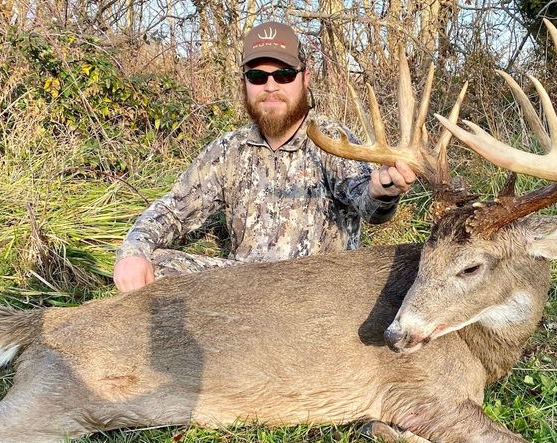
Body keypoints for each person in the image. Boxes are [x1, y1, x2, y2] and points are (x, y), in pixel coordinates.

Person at [113, 21, 416, 293]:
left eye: (284, 75)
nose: (271, 87)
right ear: (244, 81)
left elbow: (368, 203)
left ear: (304, 78)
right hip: (245, 291)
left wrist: (383, 192)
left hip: (317, 293)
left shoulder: (332, 141)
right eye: (258, 76)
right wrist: (133, 252)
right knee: (151, 265)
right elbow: (173, 210)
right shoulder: (229, 150)